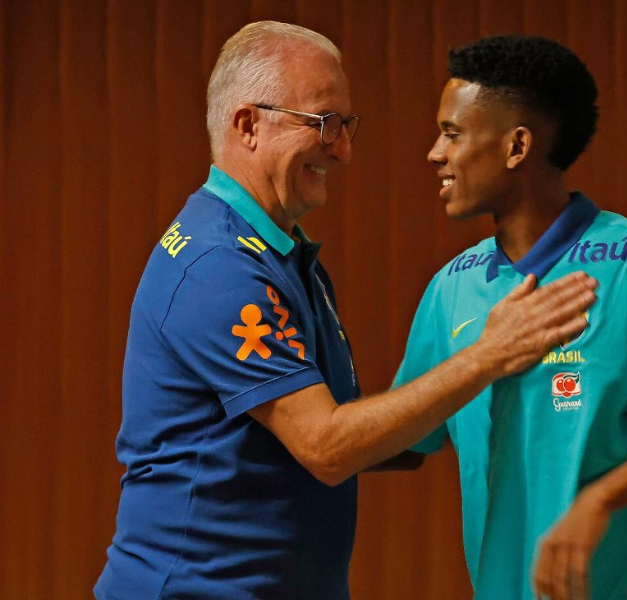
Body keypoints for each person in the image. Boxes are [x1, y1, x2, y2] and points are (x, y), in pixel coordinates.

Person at [94, 23, 598, 600]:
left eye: (346, 125)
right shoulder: (220, 268)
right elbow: (327, 447)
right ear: (248, 125)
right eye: (324, 123)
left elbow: (356, 437)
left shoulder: (277, 253)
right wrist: (490, 355)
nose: (343, 149)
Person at [392, 35, 627, 600]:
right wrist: (280, 420)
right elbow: (407, 440)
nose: (435, 152)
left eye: (453, 133)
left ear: (517, 146)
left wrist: (598, 501)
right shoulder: (450, 287)